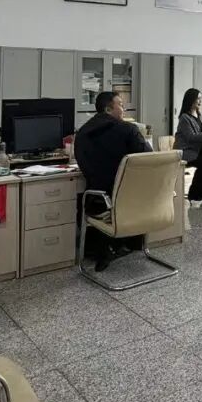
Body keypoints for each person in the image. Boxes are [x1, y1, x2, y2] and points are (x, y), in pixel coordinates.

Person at [74, 91, 153, 270]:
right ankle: (127, 245)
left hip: (97, 202)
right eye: (121, 105)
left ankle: (100, 249)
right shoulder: (128, 130)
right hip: (131, 201)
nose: (124, 109)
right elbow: (150, 159)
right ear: (108, 109)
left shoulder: (82, 133)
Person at [175, 88, 202, 202]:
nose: (200, 101)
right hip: (187, 151)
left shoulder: (198, 115)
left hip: (197, 151)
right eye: (198, 99)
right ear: (191, 100)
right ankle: (194, 194)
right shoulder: (184, 118)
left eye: (200, 98)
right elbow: (191, 137)